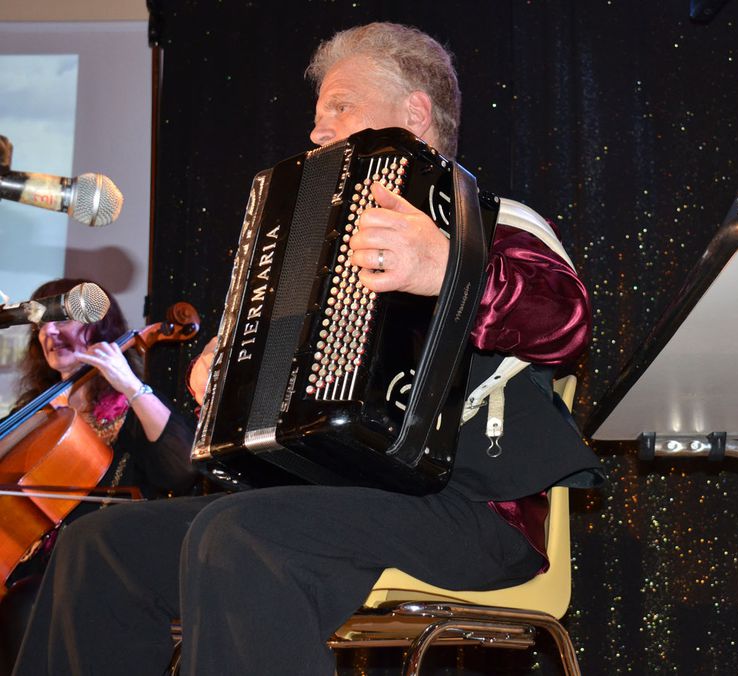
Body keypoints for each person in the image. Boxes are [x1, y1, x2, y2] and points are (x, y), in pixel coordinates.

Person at [13, 23, 602, 675]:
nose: (318, 134)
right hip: (335, 503)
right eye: (317, 119)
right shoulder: (311, 256)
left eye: (340, 109)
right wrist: (229, 383)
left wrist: (449, 271)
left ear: (415, 111)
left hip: (473, 515)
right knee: (97, 544)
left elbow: (566, 321)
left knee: (238, 534)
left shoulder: (492, 220)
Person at [0, 278, 196, 675]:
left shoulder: (132, 408)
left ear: (99, 328)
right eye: (41, 324)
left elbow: (182, 470)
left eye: (62, 318)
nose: (49, 332)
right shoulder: (34, 413)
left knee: (28, 603)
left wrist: (132, 385)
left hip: (106, 567)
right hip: (31, 566)